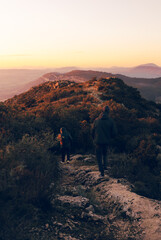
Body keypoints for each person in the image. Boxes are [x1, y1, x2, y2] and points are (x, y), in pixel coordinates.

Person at [92, 106, 117, 177]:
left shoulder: (96, 120)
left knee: (99, 157)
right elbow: (114, 133)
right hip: (106, 141)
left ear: (102, 111)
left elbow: (92, 131)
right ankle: (105, 167)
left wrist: (94, 139)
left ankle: (101, 172)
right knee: (105, 154)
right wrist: (110, 138)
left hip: (98, 142)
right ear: (108, 112)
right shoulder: (111, 121)